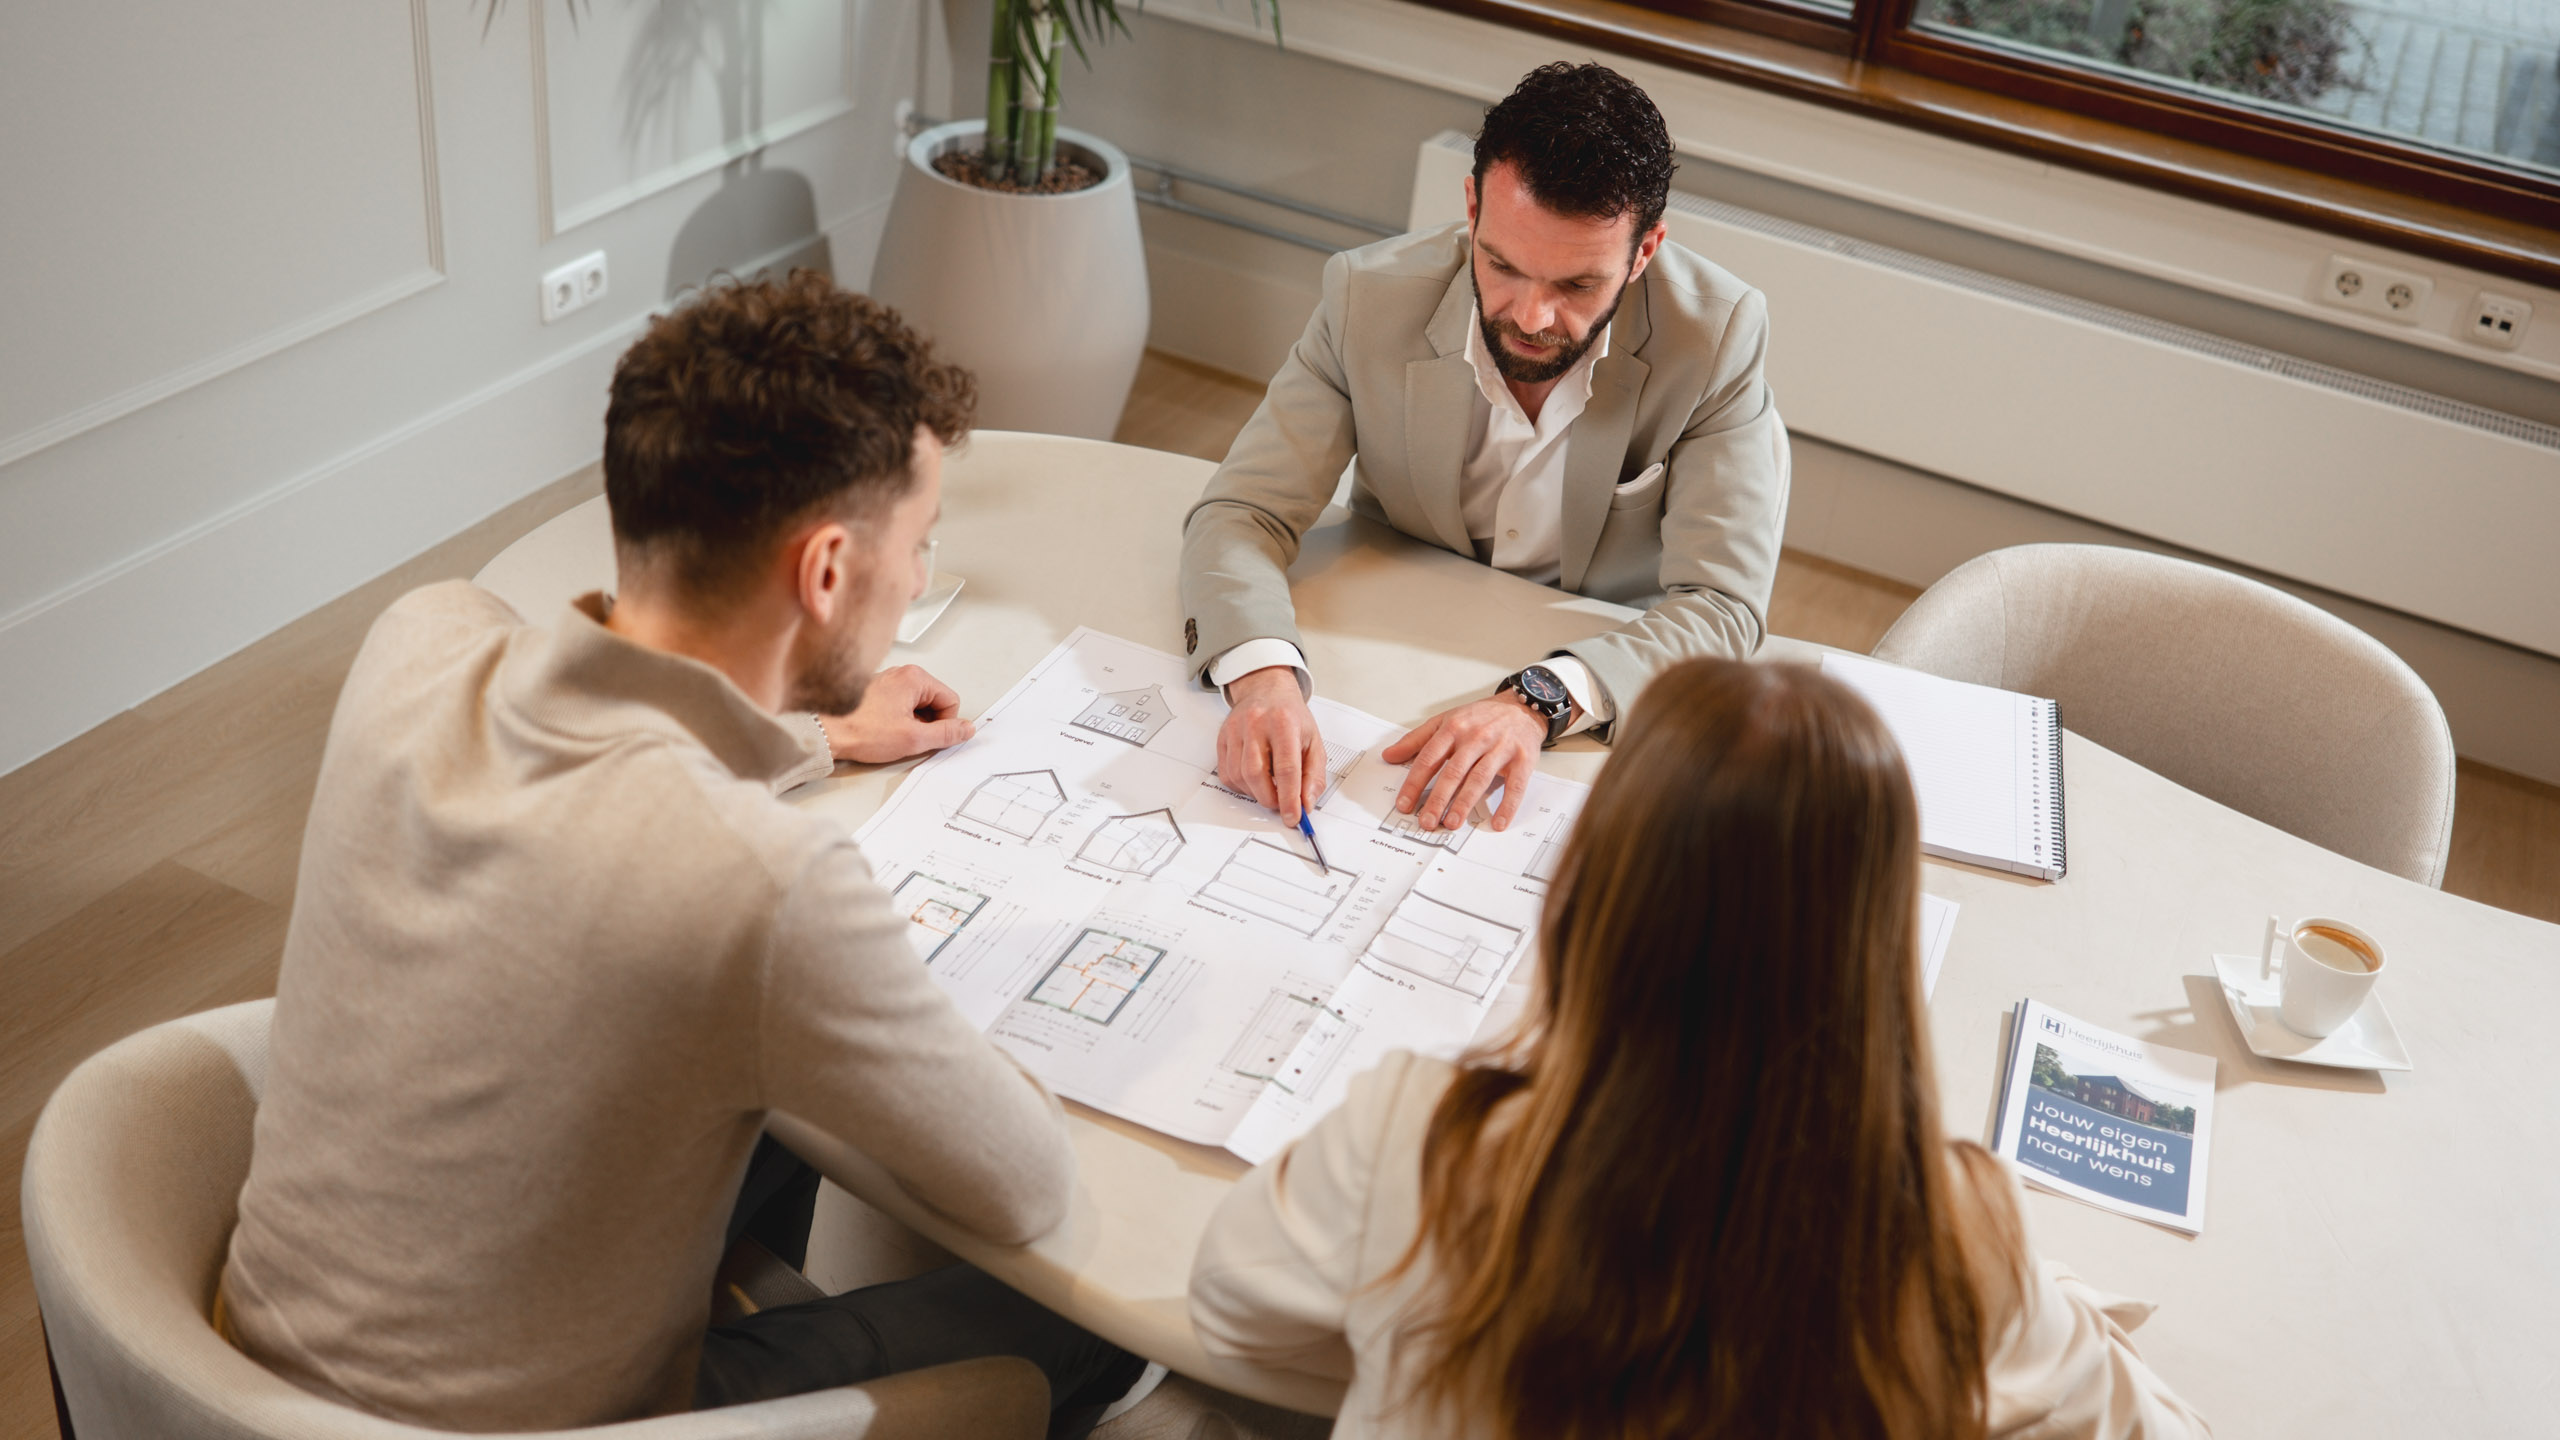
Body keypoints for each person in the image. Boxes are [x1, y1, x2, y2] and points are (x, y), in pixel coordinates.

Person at [218, 273, 1144, 1436]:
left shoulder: (421, 636)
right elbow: (1023, 1184)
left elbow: (591, 757)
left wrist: (809, 737)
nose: (915, 574)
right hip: (529, 1426)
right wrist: (891, 992)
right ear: (823, 572)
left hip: (244, 1360)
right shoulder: (760, 887)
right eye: (918, 542)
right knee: (1085, 1319)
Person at [1189, 659, 2210, 1439]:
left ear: (1593, 895)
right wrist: (2026, 1283)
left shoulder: (1425, 1131)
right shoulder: (1953, 1242)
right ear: (1874, 942)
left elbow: (1232, 1314)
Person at [1181, 62, 1789, 836]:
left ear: (1644, 253)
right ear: (1472, 207)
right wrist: (1263, 678)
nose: (1531, 316)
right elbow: (1241, 511)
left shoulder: (1717, 335)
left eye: (1576, 286)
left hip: (1598, 682)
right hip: (1387, 644)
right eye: (1501, 265)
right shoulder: (1365, 297)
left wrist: (1539, 700)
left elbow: (1724, 608)